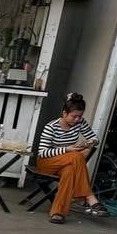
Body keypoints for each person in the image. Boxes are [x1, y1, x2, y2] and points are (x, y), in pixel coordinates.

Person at [36, 93, 108, 223]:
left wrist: (90, 142)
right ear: (64, 113)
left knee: (69, 171)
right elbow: (42, 152)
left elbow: (95, 138)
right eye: (74, 116)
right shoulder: (51, 127)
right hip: (47, 163)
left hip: (67, 163)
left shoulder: (80, 123)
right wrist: (67, 149)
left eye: (80, 116)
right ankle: (88, 197)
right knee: (76, 155)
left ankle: (58, 213)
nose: (77, 119)